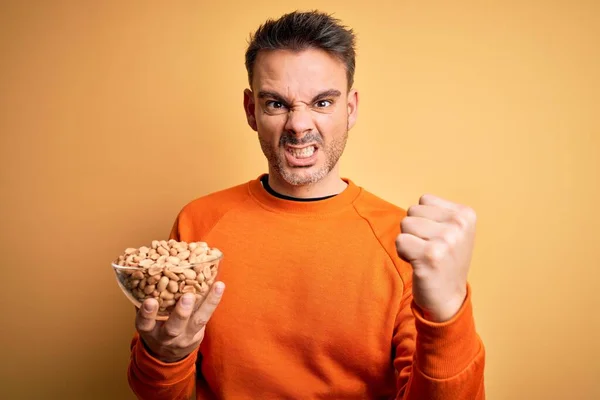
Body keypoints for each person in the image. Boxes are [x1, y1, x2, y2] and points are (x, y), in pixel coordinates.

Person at [127, 10, 485, 400]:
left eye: (323, 103)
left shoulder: (404, 243)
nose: (299, 125)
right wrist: (163, 355)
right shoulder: (198, 224)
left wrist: (448, 315)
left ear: (350, 108)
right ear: (251, 110)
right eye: (277, 104)